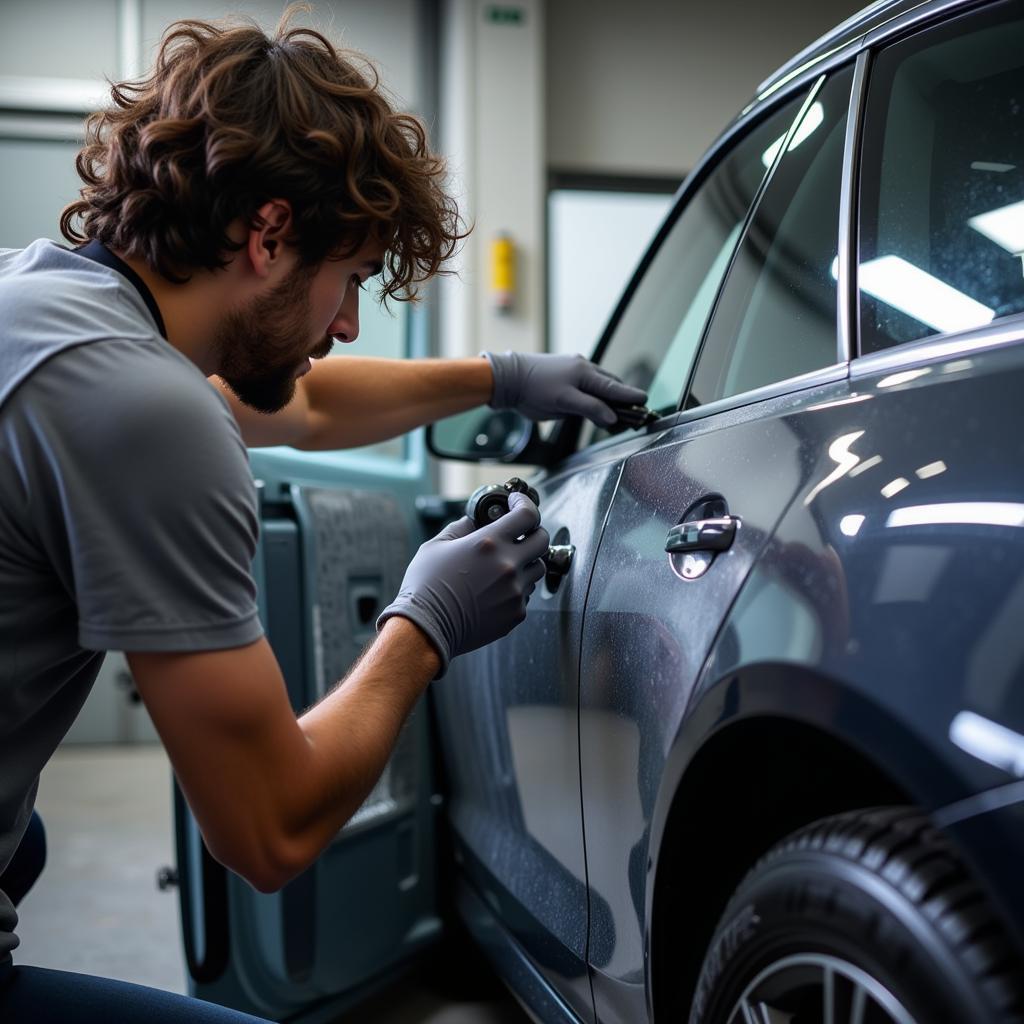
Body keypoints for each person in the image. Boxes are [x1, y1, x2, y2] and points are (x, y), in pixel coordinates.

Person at [0, 10, 646, 1022]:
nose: (347, 323)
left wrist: (505, 377)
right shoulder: (143, 407)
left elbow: (298, 403)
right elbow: (267, 832)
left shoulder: (46, 295)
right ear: (267, 236)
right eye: (346, 282)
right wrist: (424, 627)